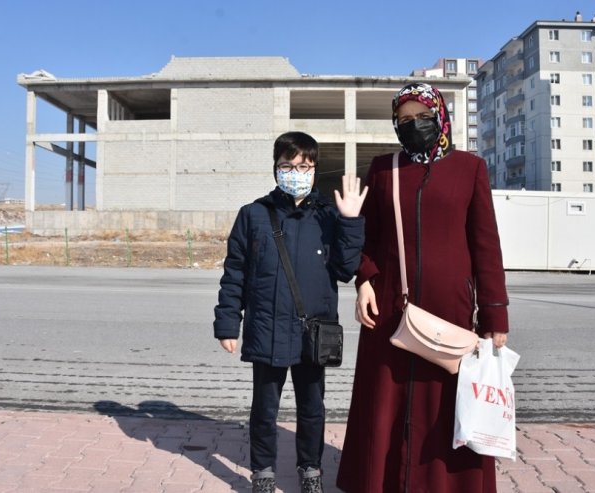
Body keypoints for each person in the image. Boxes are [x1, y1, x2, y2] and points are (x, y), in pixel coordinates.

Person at [336, 82, 510, 493]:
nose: (414, 126)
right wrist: (365, 281)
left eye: (423, 117)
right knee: (384, 401)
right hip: (389, 308)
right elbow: (371, 238)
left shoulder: (470, 168)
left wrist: (494, 314)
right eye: (404, 120)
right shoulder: (383, 169)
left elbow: (485, 245)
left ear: (441, 116)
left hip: (451, 310)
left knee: (448, 402)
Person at [213, 131, 367, 493]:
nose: (295, 172)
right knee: (264, 411)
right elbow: (235, 271)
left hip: (314, 331)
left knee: (312, 409)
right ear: (276, 168)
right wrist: (227, 323)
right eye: (288, 165)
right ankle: (263, 472)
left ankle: (310, 470)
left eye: (304, 166)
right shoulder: (253, 215)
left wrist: (350, 221)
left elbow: (346, 269)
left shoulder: (328, 217)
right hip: (267, 327)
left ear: (314, 170)